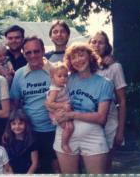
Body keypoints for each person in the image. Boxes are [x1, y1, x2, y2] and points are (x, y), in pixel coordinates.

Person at [53, 42, 114, 174]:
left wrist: (72, 115)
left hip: (92, 136)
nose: (77, 60)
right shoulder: (66, 80)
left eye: (81, 55)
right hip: (65, 135)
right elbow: (53, 99)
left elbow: (101, 118)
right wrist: (56, 114)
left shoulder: (104, 83)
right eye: (73, 57)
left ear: (90, 57)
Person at [10, 36, 59, 173]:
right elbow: (15, 103)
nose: (33, 55)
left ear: (43, 51)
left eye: (36, 51)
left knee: (56, 169)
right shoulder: (19, 74)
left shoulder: (56, 71)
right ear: (23, 54)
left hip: (56, 130)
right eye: (28, 52)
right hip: (30, 133)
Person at [89, 31, 127, 172]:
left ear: (107, 46)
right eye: (94, 41)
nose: (96, 45)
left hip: (108, 123)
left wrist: (120, 131)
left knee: (104, 167)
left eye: (101, 42)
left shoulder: (114, 67)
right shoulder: (84, 66)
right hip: (87, 123)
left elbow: (122, 101)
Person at [46, 62, 74, 154]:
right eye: (60, 76)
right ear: (52, 78)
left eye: (65, 76)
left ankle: (66, 143)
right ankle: (64, 144)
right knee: (68, 127)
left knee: (70, 126)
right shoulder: (54, 90)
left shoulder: (62, 87)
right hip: (56, 114)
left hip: (63, 111)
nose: (63, 78)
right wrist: (62, 105)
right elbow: (49, 103)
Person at [2, 109, 38, 173]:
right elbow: (5, 162)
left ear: (26, 124)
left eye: (20, 123)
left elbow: (34, 163)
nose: (17, 126)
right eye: (14, 124)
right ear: (10, 125)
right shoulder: (7, 139)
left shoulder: (31, 140)